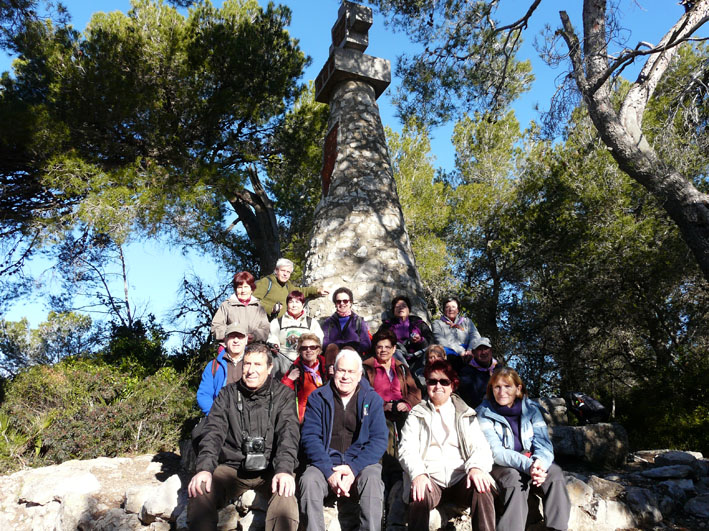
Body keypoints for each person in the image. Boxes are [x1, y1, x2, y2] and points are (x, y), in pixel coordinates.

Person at [187, 343, 300, 531]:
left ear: (269, 368)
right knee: (201, 490)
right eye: (247, 364)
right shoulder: (227, 395)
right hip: (233, 468)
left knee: (285, 496)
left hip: (271, 469)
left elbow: (289, 435)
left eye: (258, 364)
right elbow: (213, 432)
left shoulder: (284, 395)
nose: (251, 370)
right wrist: (204, 468)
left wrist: (284, 469)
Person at [398, 360, 496, 531]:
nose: (438, 386)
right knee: (419, 494)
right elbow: (407, 449)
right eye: (432, 381)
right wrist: (418, 473)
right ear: (427, 384)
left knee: (482, 487)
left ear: (452, 386)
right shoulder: (416, 414)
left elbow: (481, 447)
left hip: (461, 478)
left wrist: (476, 468)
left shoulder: (465, 414)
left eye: (444, 381)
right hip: (431, 478)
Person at [299, 348, 388, 531]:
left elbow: (379, 440)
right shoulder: (318, 397)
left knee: (372, 478)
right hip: (326, 463)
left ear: (359, 374)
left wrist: (353, 468)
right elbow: (310, 437)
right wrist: (328, 471)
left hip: (360, 464)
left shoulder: (372, 399)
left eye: (351, 371)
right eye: (341, 370)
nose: (346, 376)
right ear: (333, 371)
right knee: (308, 479)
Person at [477, 367, 571, 531]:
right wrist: (529, 466)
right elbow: (496, 452)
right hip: (501, 464)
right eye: (497, 387)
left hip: (531, 461)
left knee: (554, 473)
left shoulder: (532, 410)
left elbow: (543, 442)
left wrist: (539, 463)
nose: (502, 392)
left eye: (508, 386)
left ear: (518, 388)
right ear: (491, 390)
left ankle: (557, 528)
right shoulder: (483, 413)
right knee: (514, 479)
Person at [362, 328, 421, 433]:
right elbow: (363, 394)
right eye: (379, 347)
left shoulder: (401, 368)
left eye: (387, 347)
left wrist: (406, 403)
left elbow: (414, 392)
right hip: (378, 415)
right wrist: (383, 406)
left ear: (394, 349)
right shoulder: (366, 368)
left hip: (401, 414)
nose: (383, 350)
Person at [268, 290, 324, 379]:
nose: (294, 305)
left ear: (303, 304)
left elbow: (318, 340)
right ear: (287, 304)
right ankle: (275, 385)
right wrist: (274, 345)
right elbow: (272, 337)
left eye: (297, 302)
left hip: (305, 358)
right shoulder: (277, 322)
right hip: (283, 358)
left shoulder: (311, 322)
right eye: (291, 302)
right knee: (272, 359)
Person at [196, 322, 248, 416]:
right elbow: (204, 395)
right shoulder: (213, 366)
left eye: (240, 336)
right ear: (225, 340)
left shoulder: (256, 363)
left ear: (246, 340)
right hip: (221, 418)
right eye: (232, 336)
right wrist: (215, 415)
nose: (236, 340)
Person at [253, 258, 328, 320]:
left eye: (288, 272)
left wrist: (317, 290)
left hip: (280, 326)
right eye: (283, 270)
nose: (285, 274)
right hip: (262, 326)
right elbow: (252, 301)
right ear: (276, 270)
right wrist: (271, 309)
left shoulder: (287, 285)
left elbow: (299, 291)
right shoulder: (266, 282)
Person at [280, 333, 328, 423]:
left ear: (318, 350)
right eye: (304, 348)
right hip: (303, 416)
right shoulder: (295, 368)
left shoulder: (325, 367)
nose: (308, 350)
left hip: (324, 410)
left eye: (312, 347)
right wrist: (290, 379)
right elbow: (282, 393)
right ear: (300, 351)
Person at [211, 271, 270, 343]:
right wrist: (232, 335)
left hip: (254, 347)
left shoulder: (259, 306)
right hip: (232, 346)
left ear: (251, 289)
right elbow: (216, 327)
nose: (243, 291)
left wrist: (254, 336)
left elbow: (266, 329)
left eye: (246, 287)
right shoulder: (226, 305)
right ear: (235, 289)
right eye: (239, 287)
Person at [321, 287, 372, 366]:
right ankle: (330, 372)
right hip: (333, 358)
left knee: (348, 350)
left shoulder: (358, 321)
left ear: (350, 302)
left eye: (345, 301)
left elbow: (366, 343)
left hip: (353, 359)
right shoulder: (328, 322)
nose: (342, 303)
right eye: (338, 301)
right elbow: (324, 343)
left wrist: (351, 348)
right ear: (335, 304)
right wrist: (337, 348)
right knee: (332, 347)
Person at [458, 337, 497, 409]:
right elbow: (470, 399)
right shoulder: (466, 373)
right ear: (473, 353)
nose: (483, 352)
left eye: (486, 348)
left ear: (491, 351)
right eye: (479, 349)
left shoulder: (499, 369)